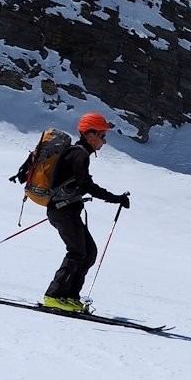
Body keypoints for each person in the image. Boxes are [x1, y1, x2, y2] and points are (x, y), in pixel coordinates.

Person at [42, 112, 130, 312]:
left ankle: (70, 297)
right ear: (90, 135)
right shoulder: (80, 155)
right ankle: (54, 296)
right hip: (62, 211)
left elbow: (78, 185)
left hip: (66, 211)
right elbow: (86, 184)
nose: (104, 142)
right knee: (77, 252)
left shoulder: (78, 153)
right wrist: (115, 198)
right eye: (102, 136)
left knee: (89, 253)